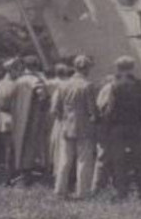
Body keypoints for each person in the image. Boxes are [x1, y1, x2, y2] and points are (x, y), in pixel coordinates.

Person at [103, 56, 141, 201]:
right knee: (139, 160)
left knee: (119, 162)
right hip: (135, 127)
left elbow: (110, 110)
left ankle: (122, 194)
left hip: (118, 128)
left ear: (118, 68)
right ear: (132, 68)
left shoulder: (116, 86)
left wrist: (107, 126)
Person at [53, 55, 99, 199]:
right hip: (84, 127)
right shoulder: (88, 85)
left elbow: (55, 109)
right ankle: (83, 192)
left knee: (65, 159)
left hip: (66, 126)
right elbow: (92, 110)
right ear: (86, 69)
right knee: (84, 160)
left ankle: (60, 190)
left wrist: (63, 119)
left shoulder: (63, 85)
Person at [10, 55, 53, 184]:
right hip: (33, 116)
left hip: (18, 116)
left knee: (20, 142)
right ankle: (29, 173)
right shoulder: (35, 80)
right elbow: (42, 96)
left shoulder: (18, 80)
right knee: (32, 144)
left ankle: (22, 171)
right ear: (35, 66)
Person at [0, 59, 22, 181]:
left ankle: (4, 172)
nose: (19, 73)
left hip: (0, 116)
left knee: (4, 147)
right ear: (11, 70)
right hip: (10, 117)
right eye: (17, 69)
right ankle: (10, 175)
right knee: (10, 148)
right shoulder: (14, 85)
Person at [46, 62, 71, 187]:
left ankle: (56, 171)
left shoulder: (50, 84)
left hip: (58, 118)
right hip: (68, 118)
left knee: (57, 145)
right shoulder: (69, 83)